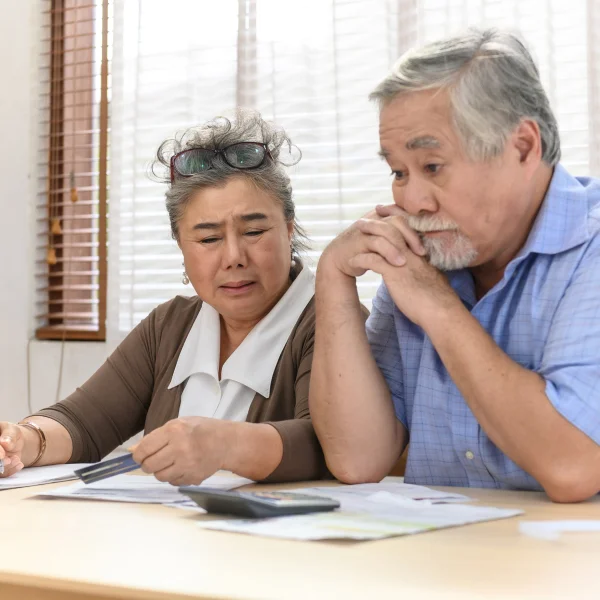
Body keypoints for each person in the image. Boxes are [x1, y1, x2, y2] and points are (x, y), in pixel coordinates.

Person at [310, 28, 600, 503]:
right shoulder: (428, 255)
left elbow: (572, 465)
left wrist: (440, 310)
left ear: (523, 147)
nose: (412, 200)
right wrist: (335, 278)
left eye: (432, 166)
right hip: (443, 562)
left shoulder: (591, 246)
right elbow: (358, 459)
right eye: (398, 172)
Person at [0, 111, 329, 485]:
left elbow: (333, 446)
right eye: (208, 239)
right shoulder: (169, 326)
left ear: (288, 229)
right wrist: (25, 441)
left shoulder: (332, 320)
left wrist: (225, 444)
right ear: (181, 247)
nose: (234, 257)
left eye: (253, 230)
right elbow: (83, 423)